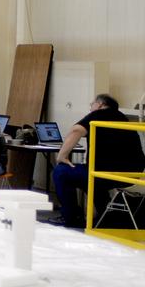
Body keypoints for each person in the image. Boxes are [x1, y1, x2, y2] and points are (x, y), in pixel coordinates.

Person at [49, 94, 145, 228]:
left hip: (105, 173)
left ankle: (70, 217)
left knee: (61, 171)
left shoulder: (98, 114)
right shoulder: (123, 118)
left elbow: (76, 130)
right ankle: (107, 218)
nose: (90, 108)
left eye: (91, 104)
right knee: (88, 177)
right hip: (131, 174)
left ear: (100, 104)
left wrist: (62, 156)